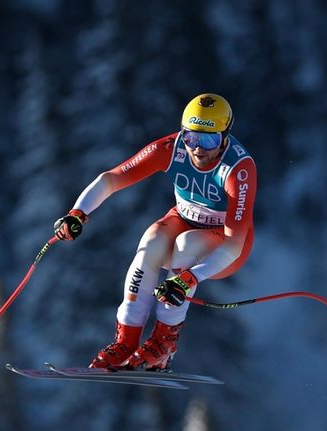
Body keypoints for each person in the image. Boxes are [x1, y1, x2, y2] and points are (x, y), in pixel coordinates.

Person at [53, 93, 257, 370]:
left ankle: (164, 343)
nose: (198, 149)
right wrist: (78, 212)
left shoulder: (238, 169)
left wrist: (190, 278)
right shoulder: (172, 148)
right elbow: (111, 179)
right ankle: (126, 340)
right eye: (191, 138)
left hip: (227, 244)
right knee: (151, 242)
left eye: (208, 140)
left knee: (187, 243)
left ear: (225, 137)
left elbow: (234, 244)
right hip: (184, 218)